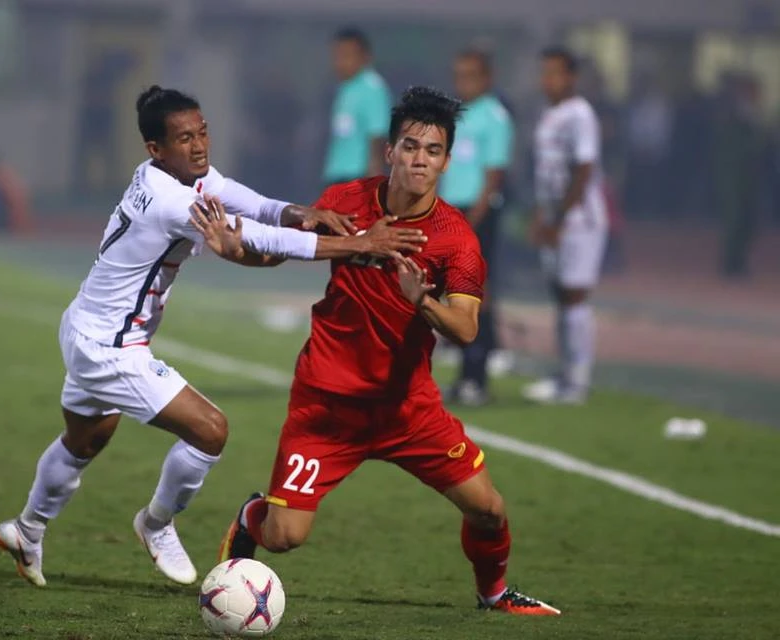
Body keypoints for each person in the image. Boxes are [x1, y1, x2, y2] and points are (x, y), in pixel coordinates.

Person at [0, 86, 425, 589]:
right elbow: (258, 237)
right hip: (108, 348)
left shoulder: (170, 174)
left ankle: (27, 530)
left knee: (85, 439)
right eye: (184, 138)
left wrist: (301, 212)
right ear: (156, 148)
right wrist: (361, 243)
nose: (199, 145)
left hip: (85, 324)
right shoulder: (172, 201)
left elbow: (252, 204)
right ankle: (156, 523)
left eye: (202, 132)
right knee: (209, 430)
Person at [205, 86, 560, 615]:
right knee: (284, 537)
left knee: (488, 509)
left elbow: (466, 329)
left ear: (447, 161)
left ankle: (493, 594)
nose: (420, 160)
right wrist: (236, 252)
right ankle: (253, 516)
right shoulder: (345, 199)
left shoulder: (456, 239)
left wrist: (423, 302)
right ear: (390, 151)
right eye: (410, 147)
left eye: (433, 151)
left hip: (407, 409)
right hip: (327, 405)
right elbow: (279, 254)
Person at [523, 47, 608, 405]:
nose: (548, 80)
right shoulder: (549, 114)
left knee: (574, 295)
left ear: (572, 77)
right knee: (560, 295)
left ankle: (578, 381)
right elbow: (547, 173)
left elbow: (583, 168)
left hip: (580, 219)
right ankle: (565, 374)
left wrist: (559, 220)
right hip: (554, 216)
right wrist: (541, 216)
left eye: (555, 73)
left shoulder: (580, 114)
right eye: (545, 73)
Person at [440, 48, 514, 406]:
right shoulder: (456, 115)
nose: (463, 82)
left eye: (470, 75)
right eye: (459, 75)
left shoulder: (494, 117)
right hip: (453, 211)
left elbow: (494, 177)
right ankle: (463, 375)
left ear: (487, 78)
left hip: (477, 214)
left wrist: (470, 223)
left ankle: (476, 377)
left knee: (476, 294)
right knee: (456, 293)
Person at [322, 27, 392, 187]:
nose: (340, 63)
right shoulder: (345, 88)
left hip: (357, 176)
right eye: (337, 56)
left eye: (347, 56)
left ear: (365, 57)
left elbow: (377, 136)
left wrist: (372, 184)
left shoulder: (372, 88)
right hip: (337, 174)